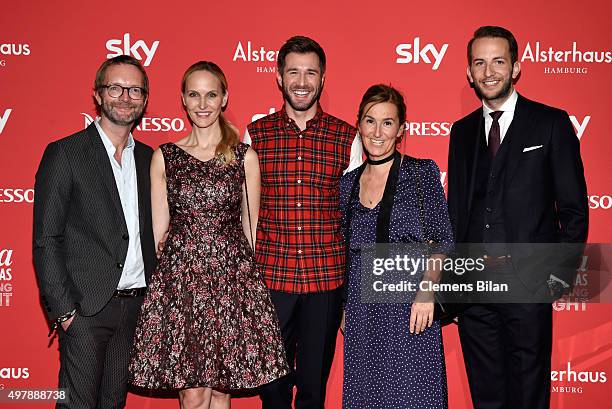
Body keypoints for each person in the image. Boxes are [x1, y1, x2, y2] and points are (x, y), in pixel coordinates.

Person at [128, 61, 289, 409]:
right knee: (192, 392)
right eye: (195, 95)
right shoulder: (165, 157)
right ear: (184, 100)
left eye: (211, 95)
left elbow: (251, 232)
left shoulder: (244, 158)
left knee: (220, 389)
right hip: (183, 283)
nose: (203, 104)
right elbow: (160, 236)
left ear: (224, 98)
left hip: (231, 282)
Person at [447, 26, 588, 409]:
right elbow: (457, 212)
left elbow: (574, 210)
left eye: (498, 61)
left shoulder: (551, 123)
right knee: (487, 397)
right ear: (468, 73)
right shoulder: (460, 133)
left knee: (529, 397)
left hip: (529, 287)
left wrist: (557, 277)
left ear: (516, 67)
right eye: (479, 63)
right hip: (474, 292)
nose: (488, 71)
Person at [244, 36, 363, 408]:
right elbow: (245, 213)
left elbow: (356, 217)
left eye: (310, 72)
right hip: (270, 280)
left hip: (325, 281)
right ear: (279, 77)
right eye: (293, 71)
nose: (301, 81)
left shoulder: (348, 137)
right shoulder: (255, 135)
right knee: (273, 391)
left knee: (313, 390)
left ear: (323, 78)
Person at [33, 55, 156, 408]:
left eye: (135, 90)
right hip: (85, 310)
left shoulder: (150, 159)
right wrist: (65, 311)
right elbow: (46, 238)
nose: (125, 97)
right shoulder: (66, 153)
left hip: (134, 308)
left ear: (145, 100)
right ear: (98, 95)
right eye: (115, 88)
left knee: (113, 403)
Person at [340, 84, 452, 409]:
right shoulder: (346, 184)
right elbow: (346, 254)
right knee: (366, 398)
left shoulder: (421, 173)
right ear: (358, 125)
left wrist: (427, 292)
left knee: (413, 397)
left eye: (387, 123)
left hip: (410, 308)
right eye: (370, 121)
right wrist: (345, 308)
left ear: (401, 129)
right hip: (363, 313)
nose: (377, 132)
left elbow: (442, 240)